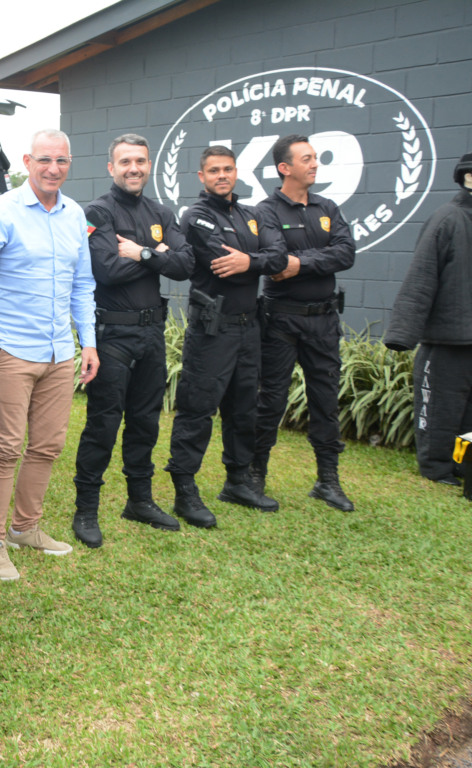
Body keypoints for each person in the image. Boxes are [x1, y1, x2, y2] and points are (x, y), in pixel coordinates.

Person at [0, 129, 99, 582]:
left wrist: (90, 342)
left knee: (47, 445)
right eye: (44, 160)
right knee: (6, 448)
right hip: (11, 349)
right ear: (28, 161)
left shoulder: (74, 214)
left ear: (69, 163)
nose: (53, 169)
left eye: (61, 161)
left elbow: (83, 285)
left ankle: (26, 528)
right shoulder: (2, 209)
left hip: (59, 352)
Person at [71, 134, 193, 545]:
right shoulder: (98, 212)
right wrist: (158, 253)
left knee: (145, 421)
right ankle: (86, 509)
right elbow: (105, 269)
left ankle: (139, 500)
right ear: (111, 167)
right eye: (125, 161)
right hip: (113, 334)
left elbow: (186, 264)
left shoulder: (162, 211)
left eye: (140, 160)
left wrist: (141, 252)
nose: (133, 168)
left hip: (152, 333)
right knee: (103, 423)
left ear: (149, 163)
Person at [164, 145, 286, 528]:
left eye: (228, 169)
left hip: (250, 326)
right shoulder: (195, 216)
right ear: (201, 176)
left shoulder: (252, 214)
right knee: (197, 409)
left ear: (236, 173)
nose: (222, 175)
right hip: (213, 329)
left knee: (244, 408)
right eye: (214, 170)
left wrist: (250, 261)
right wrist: (258, 261)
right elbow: (220, 260)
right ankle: (185, 489)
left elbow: (279, 255)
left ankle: (238, 481)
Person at [253, 135, 356, 510]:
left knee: (325, 402)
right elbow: (276, 259)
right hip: (282, 321)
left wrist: (303, 262)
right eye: (307, 158)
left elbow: (346, 253)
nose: (315, 164)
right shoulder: (265, 211)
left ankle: (328, 481)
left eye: (315, 158)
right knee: (271, 400)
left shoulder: (328, 206)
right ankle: (254, 476)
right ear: (285, 168)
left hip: (324, 321)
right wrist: (305, 259)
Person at [384, 149, 472, 484]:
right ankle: (437, 467)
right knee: (440, 407)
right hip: (449, 336)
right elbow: (422, 276)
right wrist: (403, 333)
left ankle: (467, 464)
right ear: (467, 177)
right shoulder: (446, 219)